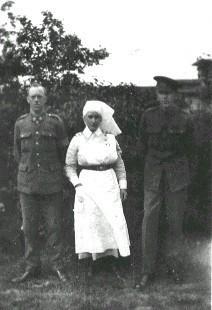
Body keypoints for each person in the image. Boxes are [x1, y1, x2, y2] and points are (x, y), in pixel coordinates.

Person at [136, 76, 192, 290]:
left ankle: (175, 269)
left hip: (177, 177)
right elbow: (142, 146)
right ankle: (147, 272)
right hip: (153, 176)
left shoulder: (185, 118)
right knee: (149, 222)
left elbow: (191, 150)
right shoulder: (148, 116)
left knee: (175, 224)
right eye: (161, 93)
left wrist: (188, 176)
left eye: (168, 93)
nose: (165, 97)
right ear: (156, 94)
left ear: (175, 95)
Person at [65, 100, 130, 277]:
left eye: (97, 117)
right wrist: (77, 184)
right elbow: (69, 165)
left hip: (109, 182)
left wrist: (122, 185)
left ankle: (113, 260)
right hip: (87, 183)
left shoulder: (110, 138)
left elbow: (119, 164)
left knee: (112, 221)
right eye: (90, 117)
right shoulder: (77, 139)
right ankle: (92, 262)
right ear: (84, 118)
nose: (94, 121)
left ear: (101, 119)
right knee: (91, 221)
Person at [12, 82, 69, 283]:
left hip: (51, 183)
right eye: (33, 97)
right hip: (27, 184)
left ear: (45, 100)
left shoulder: (55, 122)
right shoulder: (20, 124)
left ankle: (56, 266)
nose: (36, 100)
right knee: (29, 227)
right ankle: (31, 267)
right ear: (27, 99)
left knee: (54, 226)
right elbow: (17, 153)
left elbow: (64, 152)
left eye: (40, 97)